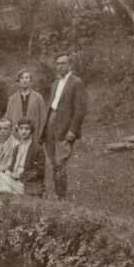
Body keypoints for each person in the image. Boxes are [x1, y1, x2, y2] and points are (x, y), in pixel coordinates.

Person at [41, 54, 87, 199]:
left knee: (61, 161)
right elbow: (52, 105)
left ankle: (62, 196)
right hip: (51, 123)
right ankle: (57, 194)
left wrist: (72, 130)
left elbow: (80, 109)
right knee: (53, 161)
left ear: (70, 65)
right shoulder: (55, 83)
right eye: (57, 63)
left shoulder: (76, 82)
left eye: (63, 63)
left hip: (65, 127)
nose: (59, 66)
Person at [4, 69, 47, 145]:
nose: (24, 80)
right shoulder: (12, 99)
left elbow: (43, 118)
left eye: (27, 78)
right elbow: (8, 118)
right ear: (18, 81)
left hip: (33, 135)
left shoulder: (38, 97)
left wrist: (40, 135)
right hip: (16, 135)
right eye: (22, 78)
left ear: (30, 81)